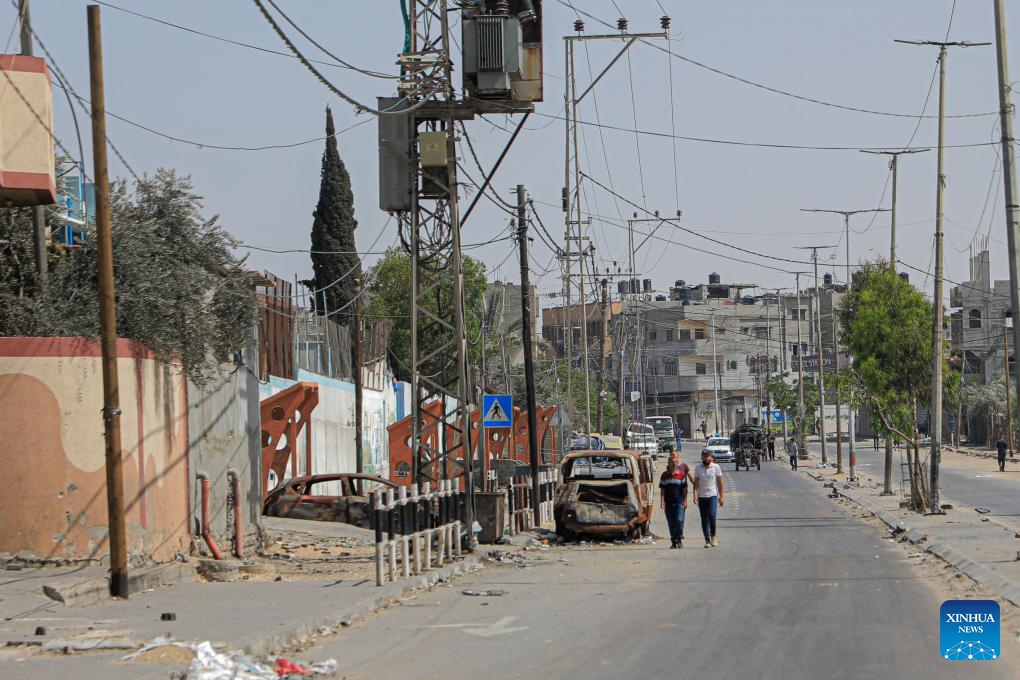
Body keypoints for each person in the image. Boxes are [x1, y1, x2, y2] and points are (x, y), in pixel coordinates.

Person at [659, 450, 690, 549]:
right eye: (670, 463)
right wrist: (662, 501)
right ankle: (674, 541)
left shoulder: (681, 475)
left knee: (679, 520)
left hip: (679, 502)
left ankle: (679, 538)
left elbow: (685, 489)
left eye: (674, 462)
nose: (672, 464)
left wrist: (685, 500)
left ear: (677, 463)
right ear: (668, 464)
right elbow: (662, 490)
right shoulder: (664, 475)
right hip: (668, 503)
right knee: (671, 522)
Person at [693, 451, 725, 548]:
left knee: (712, 515)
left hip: (712, 496)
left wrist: (722, 496)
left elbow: (720, 483)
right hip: (702, 497)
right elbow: (696, 484)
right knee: (704, 519)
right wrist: (695, 495)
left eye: (707, 456)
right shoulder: (698, 468)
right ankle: (707, 540)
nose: (706, 458)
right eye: (704, 456)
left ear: (711, 457)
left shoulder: (716, 467)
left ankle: (713, 536)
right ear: (702, 457)